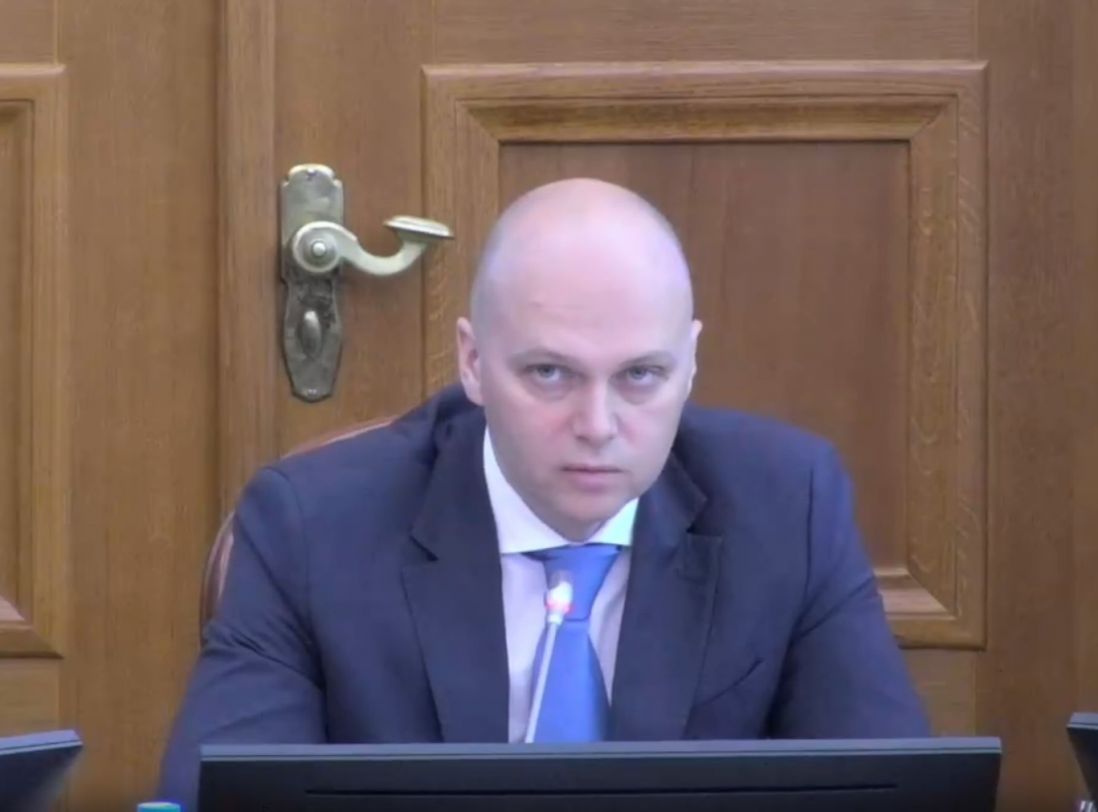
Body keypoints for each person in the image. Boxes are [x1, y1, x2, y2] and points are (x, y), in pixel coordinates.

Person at [157, 178, 929, 807]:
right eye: (550, 373)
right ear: (472, 362)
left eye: (640, 376)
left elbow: (892, 789)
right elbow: (215, 799)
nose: (597, 426)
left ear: (690, 362)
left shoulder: (789, 507)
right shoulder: (312, 527)